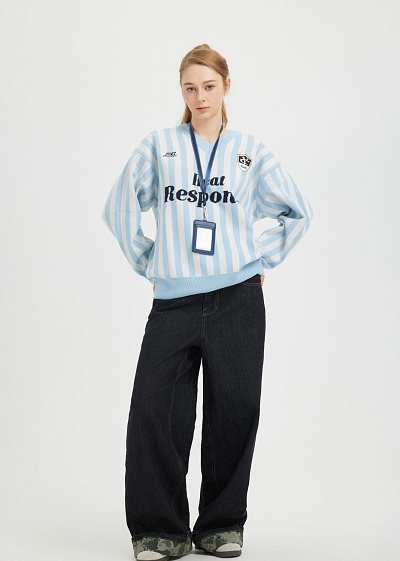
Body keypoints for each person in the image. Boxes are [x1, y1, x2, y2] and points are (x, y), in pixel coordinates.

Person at [102, 44, 313, 561]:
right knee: (154, 409)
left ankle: (221, 526)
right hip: (174, 303)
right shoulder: (160, 146)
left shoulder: (250, 152)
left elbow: (298, 211)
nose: (200, 97)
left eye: (209, 86)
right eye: (190, 88)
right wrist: (151, 261)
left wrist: (259, 259)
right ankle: (159, 531)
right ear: (182, 91)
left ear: (226, 86)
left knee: (235, 409)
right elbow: (118, 207)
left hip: (238, 299)